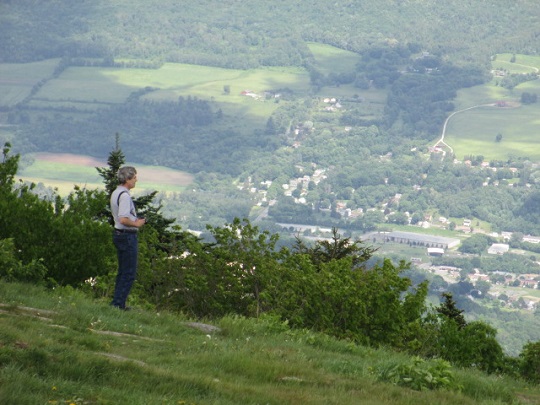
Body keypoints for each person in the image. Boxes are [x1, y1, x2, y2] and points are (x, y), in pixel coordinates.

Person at [110, 166, 146, 310]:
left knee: (123, 270)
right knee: (129, 272)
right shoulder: (124, 196)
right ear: (127, 179)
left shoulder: (116, 192)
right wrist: (137, 223)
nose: (136, 180)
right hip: (127, 236)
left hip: (119, 234)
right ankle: (118, 304)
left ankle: (118, 302)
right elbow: (123, 219)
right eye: (134, 177)